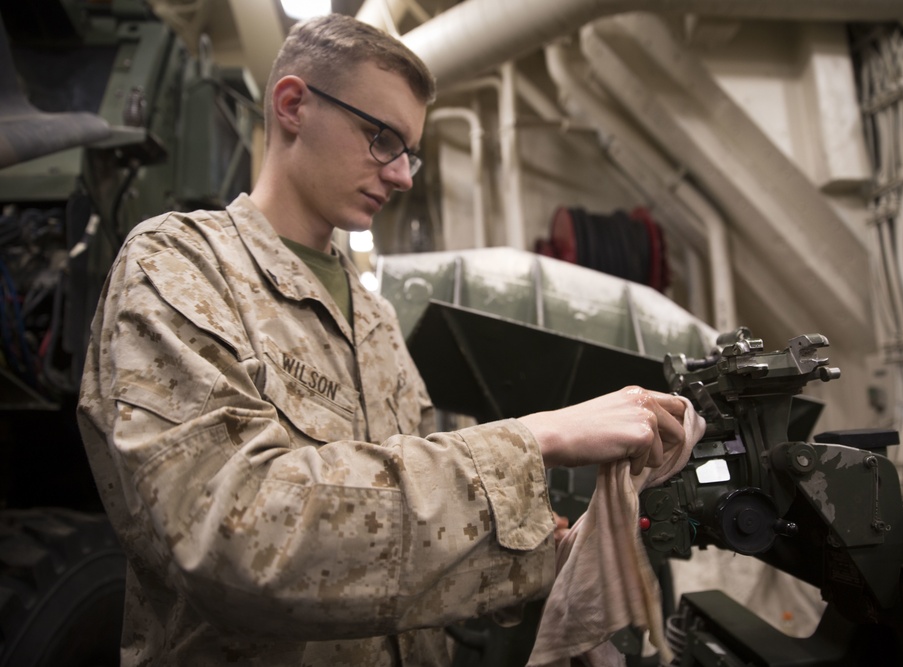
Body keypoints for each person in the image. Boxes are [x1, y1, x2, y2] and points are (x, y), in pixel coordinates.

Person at [76, 12, 691, 667]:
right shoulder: (179, 267)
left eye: (411, 151)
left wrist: (559, 556)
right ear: (293, 106)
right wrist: (537, 438)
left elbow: (404, 527)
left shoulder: (374, 321)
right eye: (381, 139)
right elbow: (233, 537)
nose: (403, 175)